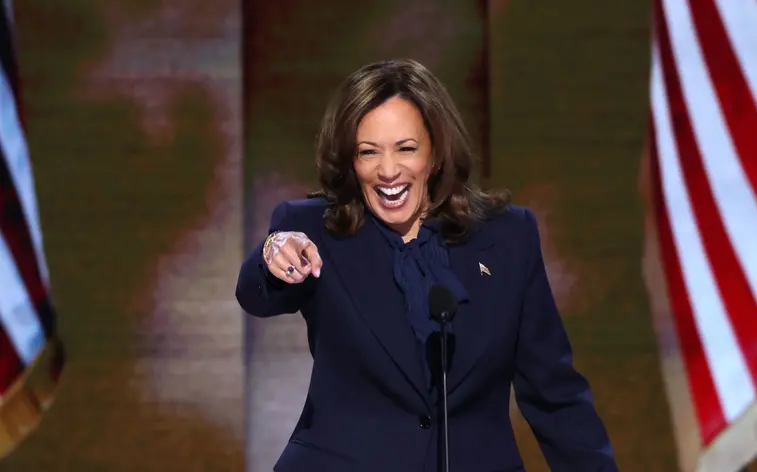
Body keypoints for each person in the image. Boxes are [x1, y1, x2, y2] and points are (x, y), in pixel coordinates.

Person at [235, 58, 618, 472]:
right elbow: (256, 295)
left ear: (436, 153)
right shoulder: (315, 229)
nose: (388, 170)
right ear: (351, 160)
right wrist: (274, 254)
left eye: (406, 148)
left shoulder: (507, 237)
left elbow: (554, 394)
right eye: (368, 152)